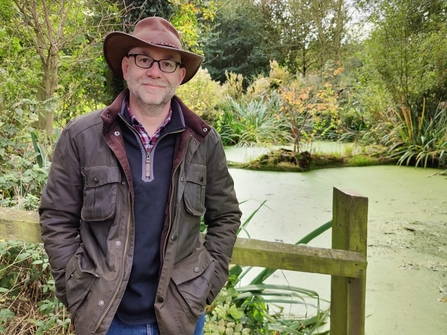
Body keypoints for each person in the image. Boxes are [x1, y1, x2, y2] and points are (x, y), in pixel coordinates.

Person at [39, 16, 242, 335]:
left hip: (179, 318)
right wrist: (75, 290)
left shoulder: (204, 142)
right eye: (143, 59)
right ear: (125, 67)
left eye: (167, 64)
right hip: (103, 319)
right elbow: (56, 217)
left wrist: (205, 286)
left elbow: (226, 216)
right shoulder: (81, 136)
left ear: (180, 75)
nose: (154, 71)